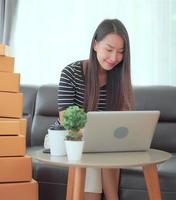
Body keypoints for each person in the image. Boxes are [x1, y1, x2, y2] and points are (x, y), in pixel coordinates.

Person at [57, 19, 135, 200]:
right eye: (109, 49)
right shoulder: (71, 72)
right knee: (92, 154)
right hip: (67, 137)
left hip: (103, 144)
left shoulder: (119, 78)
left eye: (121, 52)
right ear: (95, 45)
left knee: (103, 149)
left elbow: (124, 121)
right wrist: (96, 137)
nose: (114, 57)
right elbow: (66, 120)